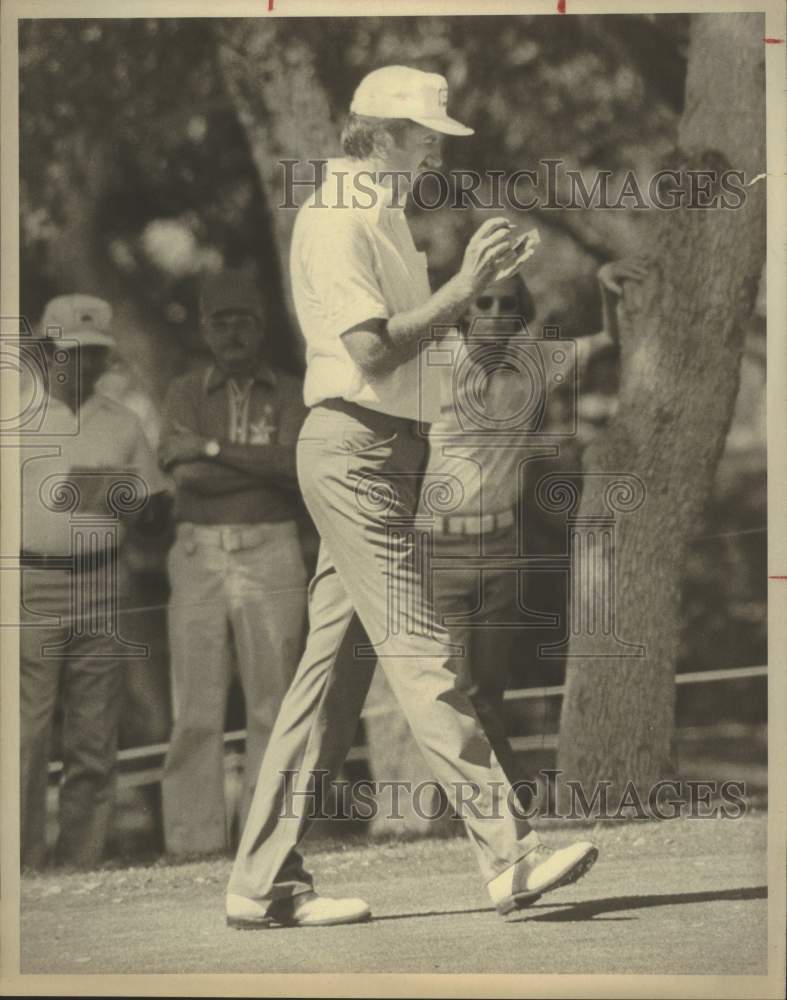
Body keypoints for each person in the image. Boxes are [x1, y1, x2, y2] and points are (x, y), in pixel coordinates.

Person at [225, 65, 598, 929]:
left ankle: (257, 881)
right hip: (354, 449)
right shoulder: (337, 216)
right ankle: (508, 857)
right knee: (422, 647)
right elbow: (374, 352)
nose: (434, 148)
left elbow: (420, 356)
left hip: (386, 453)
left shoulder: (380, 213)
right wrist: (465, 286)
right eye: (424, 134)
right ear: (379, 134)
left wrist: (480, 288)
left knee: (327, 682)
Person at [421, 258, 649, 786]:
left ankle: (492, 810)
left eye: (508, 305)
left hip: (502, 548)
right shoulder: (428, 366)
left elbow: (605, 343)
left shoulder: (533, 359)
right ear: (462, 310)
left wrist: (605, 287)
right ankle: (507, 803)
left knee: (486, 692)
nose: (497, 315)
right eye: (485, 304)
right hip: (439, 553)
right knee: (455, 693)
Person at [159, 269, 309, 857]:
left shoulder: (293, 389)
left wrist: (215, 449)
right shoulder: (184, 392)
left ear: (262, 322)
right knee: (195, 707)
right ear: (203, 326)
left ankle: (267, 838)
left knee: (275, 702)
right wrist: (256, 463)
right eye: (219, 318)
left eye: (242, 317)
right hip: (198, 552)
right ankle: (193, 842)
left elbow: (295, 467)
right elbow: (185, 474)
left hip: (272, 546)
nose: (232, 329)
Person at [19, 294, 168, 870]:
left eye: (96, 354)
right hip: (29, 582)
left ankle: (80, 863)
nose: (84, 365)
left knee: (93, 735)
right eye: (72, 353)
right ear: (46, 352)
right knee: (26, 736)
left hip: (103, 582)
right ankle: (23, 863)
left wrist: (124, 496)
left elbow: (156, 516)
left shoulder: (124, 421)